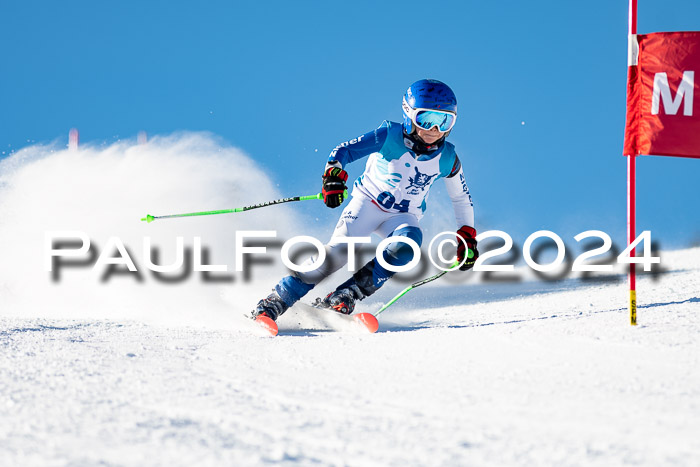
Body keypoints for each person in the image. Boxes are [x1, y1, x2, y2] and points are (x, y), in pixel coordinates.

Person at [251, 79, 478, 321]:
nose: (434, 130)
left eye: (444, 121)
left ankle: (346, 295)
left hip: (403, 215)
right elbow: (344, 151)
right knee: (337, 255)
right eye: (426, 120)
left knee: (407, 246)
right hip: (367, 203)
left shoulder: (448, 158)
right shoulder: (389, 135)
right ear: (409, 114)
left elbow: (461, 198)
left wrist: (467, 235)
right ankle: (276, 301)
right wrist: (333, 176)